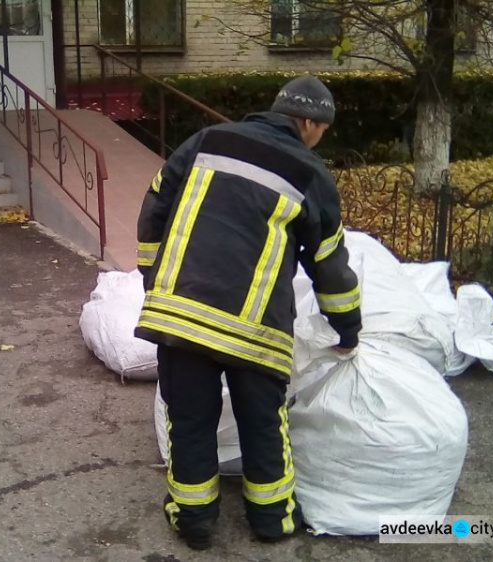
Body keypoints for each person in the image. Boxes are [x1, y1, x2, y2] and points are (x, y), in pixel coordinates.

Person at [134, 75, 362, 550]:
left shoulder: (206, 141)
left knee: (191, 420)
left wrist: (152, 276)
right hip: (255, 331)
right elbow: (330, 266)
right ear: (307, 122)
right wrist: (347, 327)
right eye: (322, 129)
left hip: (181, 316)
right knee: (262, 422)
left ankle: (193, 521)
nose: (319, 138)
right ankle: (272, 521)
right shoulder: (309, 173)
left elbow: (155, 204)